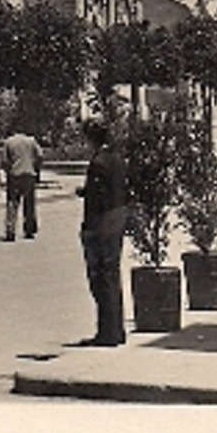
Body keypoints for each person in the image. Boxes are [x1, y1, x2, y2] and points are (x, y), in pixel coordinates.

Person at [76, 116, 128, 345]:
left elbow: (97, 200)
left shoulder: (98, 162)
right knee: (112, 277)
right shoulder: (117, 158)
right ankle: (117, 330)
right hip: (117, 221)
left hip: (101, 226)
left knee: (100, 279)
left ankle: (106, 333)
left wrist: (88, 230)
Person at [1, 128, 44, 242]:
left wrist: (8, 172)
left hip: (15, 174)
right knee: (29, 203)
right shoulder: (31, 141)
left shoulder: (9, 142)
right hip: (29, 174)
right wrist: (36, 168)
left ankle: (10, 230)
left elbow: (4, 161)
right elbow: (40, 155)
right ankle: (29, 229)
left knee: (12, 202)